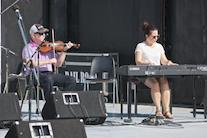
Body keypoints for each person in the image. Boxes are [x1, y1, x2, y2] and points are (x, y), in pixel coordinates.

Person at [135, 22, 178, 119]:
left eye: (157, 36)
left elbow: (163, 60)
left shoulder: (159, 46)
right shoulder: (141, 46)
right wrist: (147, 64)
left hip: (157, 72)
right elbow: (138, 61)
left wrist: (169, 62)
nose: (156, 38)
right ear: (146, 36)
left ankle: (166, 111)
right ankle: (158, 110)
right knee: (154, 84)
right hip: (144, 73)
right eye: (153, 36)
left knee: (164, 82)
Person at [22, 24, 76, 99]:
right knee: (48, 79)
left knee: (71, 80)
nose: (43, 35)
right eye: (41, 33)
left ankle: (60, 102)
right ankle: (50, 105)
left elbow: (58, 64)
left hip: (49, 74)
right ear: (33, 35)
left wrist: (64, 51)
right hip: (33, 74)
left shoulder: (48, 47)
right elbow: (29, 63)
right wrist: (48, 61)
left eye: (44, 33)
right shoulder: (28, 48)